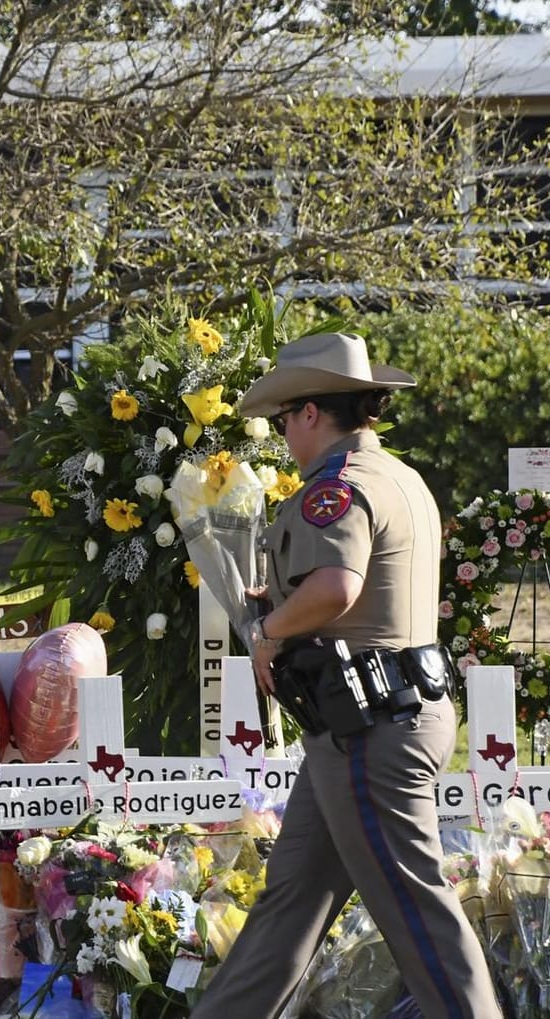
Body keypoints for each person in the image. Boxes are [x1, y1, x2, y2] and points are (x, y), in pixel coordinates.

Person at [193, 333, 498, 1019]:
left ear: (308, 413)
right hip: (374, 715)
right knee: (291, 900)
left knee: (415, 908)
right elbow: (370, 593)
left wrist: (269, 630)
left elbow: (335, 586)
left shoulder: (334, 488)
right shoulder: (399, 477)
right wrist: (283, 607)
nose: (281, 435)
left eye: (282, 420)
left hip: (369, 727)